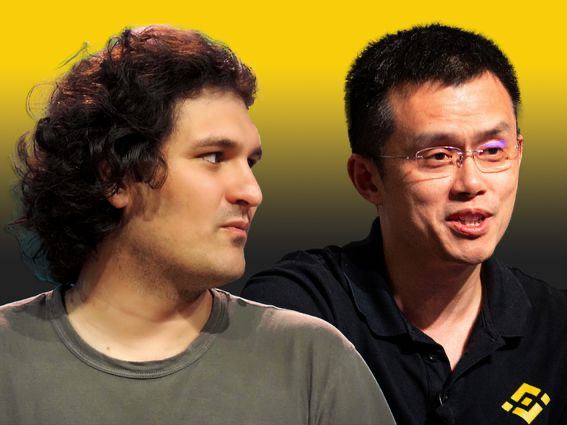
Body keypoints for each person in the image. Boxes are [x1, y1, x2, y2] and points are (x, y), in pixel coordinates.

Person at [0, 26, 395, 425]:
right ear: (116, 178)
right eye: (213, 157)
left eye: (250, 163)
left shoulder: (314, 363)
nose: (251, 192)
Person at [242, 24, 567, 425]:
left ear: (519, 154)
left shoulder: (556, 327)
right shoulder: (299, 310)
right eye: (437, 156)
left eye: (493, 150)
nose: (472, 183)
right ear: (367, 179)